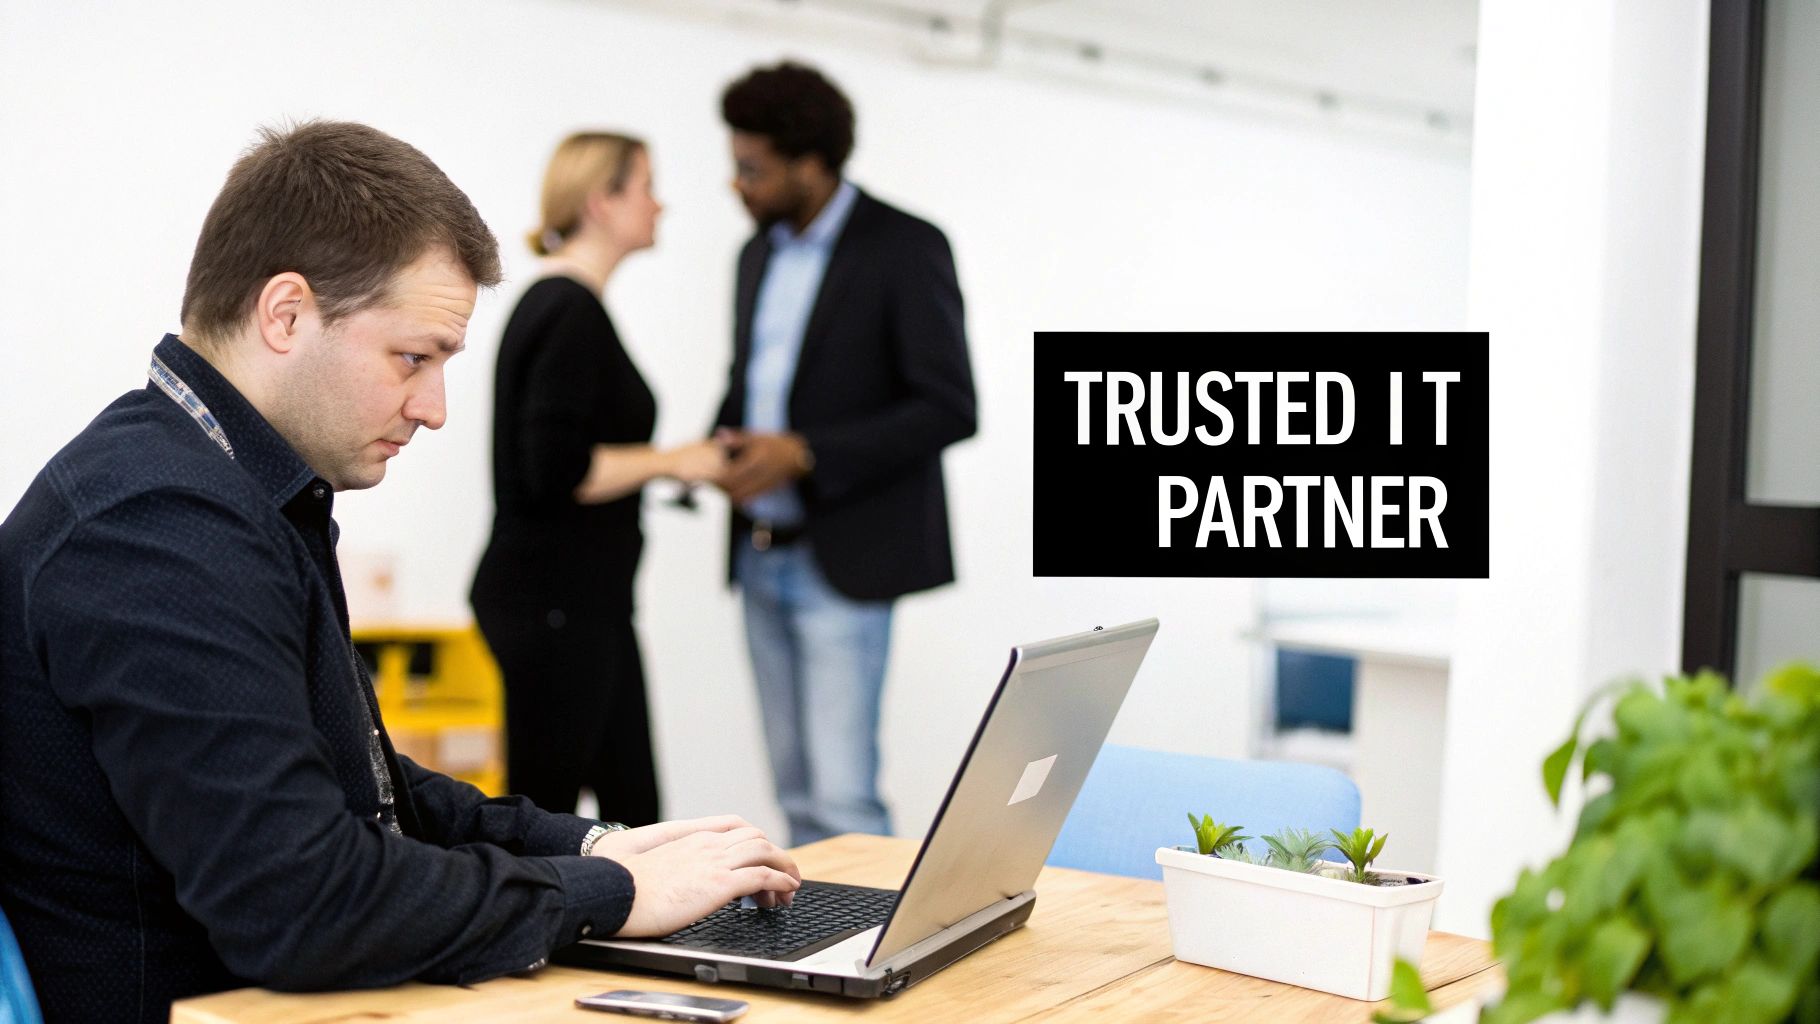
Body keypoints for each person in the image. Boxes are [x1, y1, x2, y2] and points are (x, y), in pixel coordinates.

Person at [0, 121, 797, 1024]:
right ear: (286, 314)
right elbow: (300, 901)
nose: (435, 409)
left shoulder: (235, 487)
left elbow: (370, 789)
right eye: (412, 358)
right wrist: (604, 896)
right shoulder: (152, 526)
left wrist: (605, 846)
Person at [713, 62, 978, 845]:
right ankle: (813, 954)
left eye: (752, 169)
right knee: (794, 794)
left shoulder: (905, 246)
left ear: (811, 164)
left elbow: (949, 406)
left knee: (844, 801)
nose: (738, 185)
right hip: (759, 552)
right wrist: (715, 449)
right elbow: (751, 383)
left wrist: (806, 453)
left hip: (847, 561)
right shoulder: (754, 254)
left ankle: (875, 960)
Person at [471, 132, 722, 823]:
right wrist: (676, 459)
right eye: (645, 185)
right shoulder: (567, 310)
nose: (660, 204)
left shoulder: (566, 306)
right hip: (555, 605)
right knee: (546, 816)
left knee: (633, 811)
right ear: (601, 202)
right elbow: (557, 471)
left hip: (585, 603)